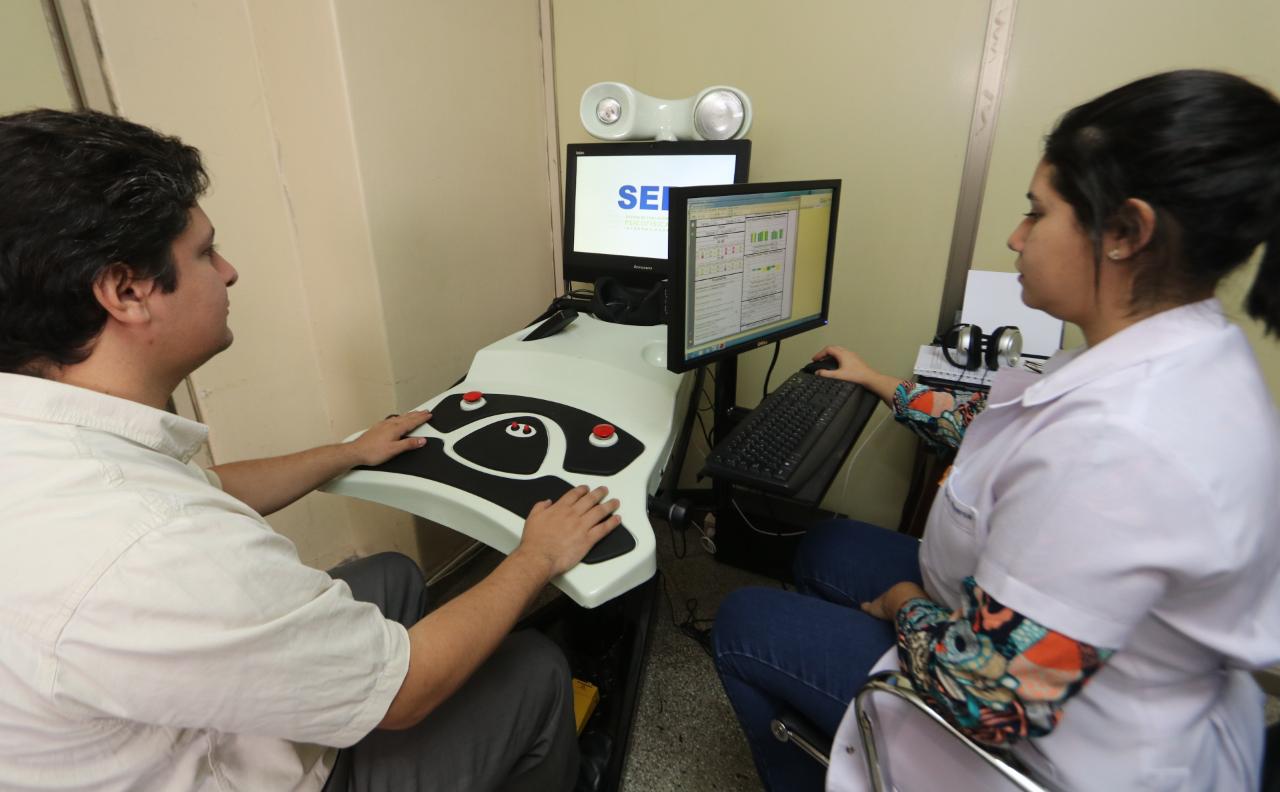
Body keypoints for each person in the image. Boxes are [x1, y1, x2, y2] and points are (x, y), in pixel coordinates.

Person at [0, 109, 622, 791]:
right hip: (236, 771)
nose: (229, 272)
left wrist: (348, 452)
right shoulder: (155, 548)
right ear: (126, 291)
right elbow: (406, 690)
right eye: (205, 253)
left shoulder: (50, 443)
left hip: (164, 711)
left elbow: (202, 488)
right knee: (535, 668)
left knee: (393, 576)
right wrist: (538, 555)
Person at [712, 68, 1280, 791]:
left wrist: (902, 605)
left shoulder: (1122, 443)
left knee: (744, 621)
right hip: (1044, 644)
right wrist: (880, 382)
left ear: (1124, 232)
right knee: (825, 544)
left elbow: (986, 698)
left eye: (1037, 214)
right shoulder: (1177, 352)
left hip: (1052, 746)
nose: (1016, 237)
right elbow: (997, 431)